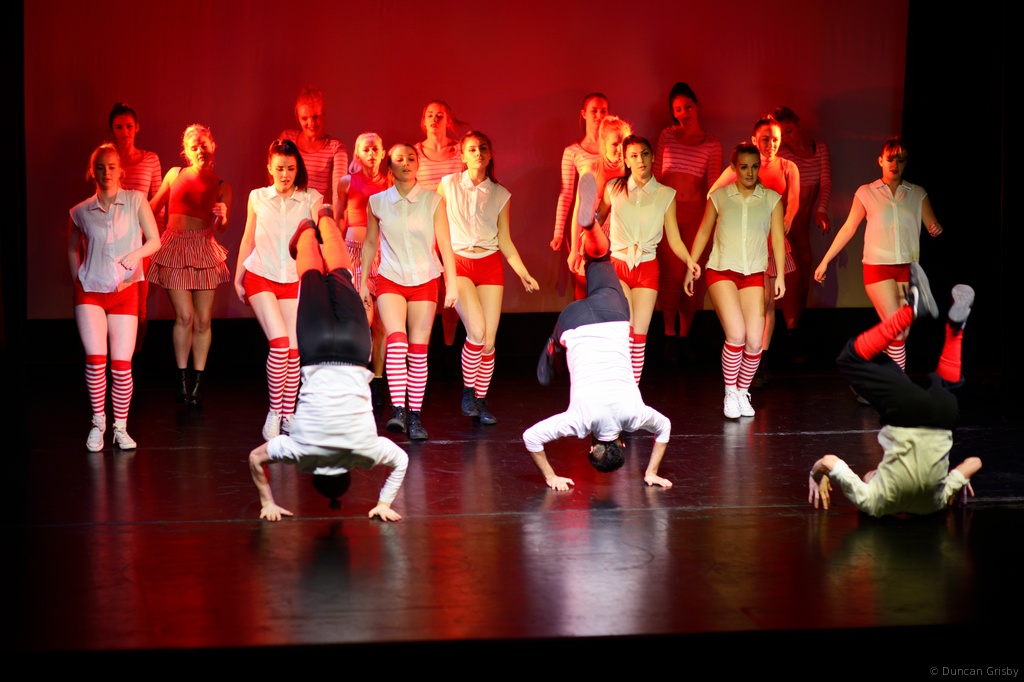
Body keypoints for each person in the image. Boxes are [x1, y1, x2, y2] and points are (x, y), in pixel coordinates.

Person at [248, 211, 408, 522]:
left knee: (340, 274)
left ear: (349, 471)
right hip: (317, 348)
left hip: (355, 348)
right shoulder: (300, 449)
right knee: (311, 277)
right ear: (314, 473)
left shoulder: (366, 450)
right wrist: (267, 503)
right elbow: (255, 458)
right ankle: (308, 229)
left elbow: (401, 462)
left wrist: (384, 503)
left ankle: (325, 218)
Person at [525, 176, 673, 490]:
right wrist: (551, 477)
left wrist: (651, 472)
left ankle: (591, 226)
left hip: (613, 316)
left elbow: (665, 428)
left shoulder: (635, 415)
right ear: (591, 447)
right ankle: (553, 347)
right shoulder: (578, 422)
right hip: (573, 320)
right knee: (562, 342)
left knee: (598, 259)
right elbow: (530, 438)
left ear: (622, 443)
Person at [808, 264, 981, 516]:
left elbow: (975, 462)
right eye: (868, 476)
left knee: (947, 388)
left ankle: (956, 329)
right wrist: (816, 476)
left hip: (944, 418)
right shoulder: (872, 502)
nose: (869, 473)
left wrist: (959, 478)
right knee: (850, 358)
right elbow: (828, 461)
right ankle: (910, 312)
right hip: (906, 415)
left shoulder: (935, 502)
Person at [814, 138, 942, 371]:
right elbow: (848, 228)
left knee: (901, 332)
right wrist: (825, 261)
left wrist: (935, 228)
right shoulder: (866, 192)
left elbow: (931, 223)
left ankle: (873, 368)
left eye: (900, 160)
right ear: (881, 161)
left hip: (908, 269)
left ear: (906, 163)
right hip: (878, 268)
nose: (895, 164)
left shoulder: (917, 193)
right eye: (891, 159)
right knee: (897, 329)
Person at [439, 131, 540, 425]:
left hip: (490, 264)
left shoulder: (499, 194)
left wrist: (523, 273)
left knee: (489, 342)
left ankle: (481, 400)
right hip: (459, 262)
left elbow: (504, 239)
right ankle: (468, 392)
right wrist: (443, 269)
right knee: (477, 331)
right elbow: (438, 230)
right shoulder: (447, 185)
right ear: (463, 155)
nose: (478, 153)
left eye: (483, 148)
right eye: (472, 149)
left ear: (490, 154)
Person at [362, 144, 458, 441]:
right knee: (396, 342)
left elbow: (445, 244)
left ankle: (415, 415)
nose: (406, 163)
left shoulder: (433, 201)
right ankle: (398, 411)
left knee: (417, 350)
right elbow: (369, 243)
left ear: (418, 164)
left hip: (425, 278)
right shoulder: (377, 202)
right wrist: (362, 281)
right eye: (399, 159)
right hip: (390, 278)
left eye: (411, 158)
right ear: (389, 166)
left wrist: (452, 282)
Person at [69, 144, 161, 451]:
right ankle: (98, 423)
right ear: (91, 171)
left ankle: (120, 427)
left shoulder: (135, 201)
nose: (106, 173)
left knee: (121, 365)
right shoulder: (81, 211)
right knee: (96, 361)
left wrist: (136, 255)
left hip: (125, 289)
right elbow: (71, 247)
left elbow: (155, 240)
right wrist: (77, 277)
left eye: (111, 167)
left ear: (120, 170)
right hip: (90, 292)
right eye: (100, 167)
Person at [690, 142, 786, 418]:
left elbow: (778, 239)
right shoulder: (720, 197)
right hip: (721, 271)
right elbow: (703, 231)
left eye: (754, 167)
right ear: (733, 168)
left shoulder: (771, 199)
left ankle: (742, 391)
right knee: (736, 335)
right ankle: (730, 392)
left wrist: (780, 274)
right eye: (743, 167)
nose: (750, 172)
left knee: (755, 342)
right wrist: (690, 265)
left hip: (753, 274)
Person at [235, 139, 323, 440]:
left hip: (294, 279)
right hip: (261, 275)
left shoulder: (311, 198)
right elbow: (248, 238)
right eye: (280, 168)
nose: (285, 174)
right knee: (280, 343)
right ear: (270, 168)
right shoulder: (258, 197)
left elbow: (320, 240)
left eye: (290, 168)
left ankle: (289, 414)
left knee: (294, 350)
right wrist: (238, 276)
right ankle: (274, 412)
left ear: (297, 169)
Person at [599, 134, 700, 382]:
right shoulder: (613, 188)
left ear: (653, 156)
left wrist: (689, 261)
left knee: (639, 337)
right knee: (626, 330)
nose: (640, 160)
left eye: (644, 154)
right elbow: (597, 220)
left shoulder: (666, 194)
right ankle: (618, 388)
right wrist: (585, 239)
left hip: (647, 268)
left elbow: (674, 239)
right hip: (618, 265)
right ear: (626, 160)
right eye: (633, 155)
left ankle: (632, 393)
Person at [148, 124, 232, 407]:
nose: (200, 151)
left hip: (203, 248)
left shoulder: (222, 186)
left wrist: (222, 215)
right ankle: (181, 379)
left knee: (203, 320)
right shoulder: (175, 174)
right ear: (186, 151)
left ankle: (197, 382)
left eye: (204, 145)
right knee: (184, 316)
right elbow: (153, 207)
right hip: (174, 246)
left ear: (212, 146)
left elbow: (222, 227)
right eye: (194, 147)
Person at [709, 116, 799, 362]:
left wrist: (787, 218)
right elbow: (713, 194)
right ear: (755, 140)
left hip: (771, 240)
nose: (771, 145)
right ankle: (742, 348)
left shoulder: (788, 167)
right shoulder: (743, 165)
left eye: (775, 140)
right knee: (755, 300)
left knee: (768, 302)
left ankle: (762, 356)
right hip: (746, 243)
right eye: (766, 140)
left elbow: (793, 201)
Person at [653, 83, 722, 357]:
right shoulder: (667, 135)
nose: (683, 113)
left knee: (692, 273)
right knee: (671, 274)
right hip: (667, 212)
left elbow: (714, 185)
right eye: (678, 109)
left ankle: (685, 337)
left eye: (688, 107)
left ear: (698, 106)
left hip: (695, 214)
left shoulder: (712, 143)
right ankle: (669, 335)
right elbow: (656, 174)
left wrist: (716, 219)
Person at [336, 132, 389, 403]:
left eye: (375, 149)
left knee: (381, 324)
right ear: (358, 153)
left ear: (382, 153)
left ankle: (377, 381)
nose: (371, 154)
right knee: (362, 318)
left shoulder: (390, 182)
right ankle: (356, 376)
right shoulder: (347, 182)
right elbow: (338, 220)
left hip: (382, 255)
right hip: (355, 254)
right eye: (366, 149)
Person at [775, 107, 832, 347]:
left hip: (804, 224)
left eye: (789, 130)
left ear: (798, 124)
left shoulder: (820, 149)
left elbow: (826, 182)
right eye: (782, 135)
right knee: (793, 275)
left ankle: (797, 327)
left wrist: (821, 210)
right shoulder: (784, 154)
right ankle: (790, 331)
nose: (787, 138)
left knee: (806, 272)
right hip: (787, 224)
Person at [108, 102, 162, 353]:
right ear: (112, 129)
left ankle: (135, 353)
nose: (125, 132)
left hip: (141, 241)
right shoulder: (109, 161)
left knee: (140, 303)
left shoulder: (150, 159)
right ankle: (117, 352)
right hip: (114, 240)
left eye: (129, 126)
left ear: (137, 127)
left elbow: (159, 201)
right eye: (119, 127)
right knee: (114, 296)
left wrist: (156, 239)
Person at [567, 115, 632, 300]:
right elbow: (579, 211)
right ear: (604, 144)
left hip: (622, 241)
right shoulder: (591, 170)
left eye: (624, 143)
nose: (620, 148)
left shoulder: (631, 170)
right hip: (595, 237)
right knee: (585, 290)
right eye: (615, 144)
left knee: (615, 294)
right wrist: (574, 250)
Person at [550, 93, 609, 254]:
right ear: (584, 113)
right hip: (587, 219)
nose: (599, 115)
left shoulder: (615, 147)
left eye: (603, 111)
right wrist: (558, 233)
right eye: (594, 111)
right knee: (585, 266)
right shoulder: (572, 152)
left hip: (614, 219)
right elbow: (566, 194)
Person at [279, 86, 348, 206]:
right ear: (298, 118)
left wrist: (336, 216)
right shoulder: (287, 139)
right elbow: (277, 180)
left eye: (315, 116)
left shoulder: (336, 148)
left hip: (317, 212)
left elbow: (340, 194)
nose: (311, 123)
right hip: (289, 209)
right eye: (304, 118)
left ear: (323, 114)